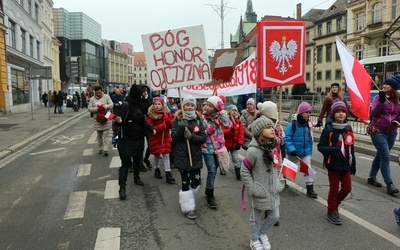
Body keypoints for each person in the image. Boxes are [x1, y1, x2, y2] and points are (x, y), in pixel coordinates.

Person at [241, 115, 283, 250]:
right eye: (268, 127)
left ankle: (261, 233)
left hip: (272, 190)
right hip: (258, 190)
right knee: (255, 218)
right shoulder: (253, 151)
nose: (272, 129)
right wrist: (252, 188)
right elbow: (244, 171)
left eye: (273, 127)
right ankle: (254, 239)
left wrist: (280, 180)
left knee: (274, 216)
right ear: (260, 132)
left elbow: (277, 166)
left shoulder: (274, 148)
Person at [317, 100, 356, 225]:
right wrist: (331, 150)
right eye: (338, 112)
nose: (341, 114)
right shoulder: (328, 128)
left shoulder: (348, 128)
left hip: (345, 164)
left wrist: (353, 163)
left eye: (343, 112)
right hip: (333, 164)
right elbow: (320, 146)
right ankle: (331, 210)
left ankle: (335, 204)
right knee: (334, 189)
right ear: (333, 114)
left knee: (347, 188)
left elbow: (351, 147)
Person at [114, 84, 155, 200]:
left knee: (137, 160)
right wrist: (118, 121)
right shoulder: (125, 106)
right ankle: (122, 187)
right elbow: (115, 119)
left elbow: (143, 121)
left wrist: (151, 129)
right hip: (126, 139)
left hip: (138, 138)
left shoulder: (139, 105)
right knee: (125, 164)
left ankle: (137, 178)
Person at [172, 95, 207, 219]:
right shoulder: (178, 119)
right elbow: (174, 138)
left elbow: (203, 138)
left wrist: (191, 136)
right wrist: (181, 128)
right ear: (183, 106)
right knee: (185, 182)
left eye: (192, 105)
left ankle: (188, 197)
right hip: (182, 157)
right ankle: (188, 208)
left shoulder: (198, 120)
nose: (189, 107)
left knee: (196, 182)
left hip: (195, 156)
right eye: (187, 104)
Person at [367, 75, 400, 195]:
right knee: (385, 156)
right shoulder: (377, 97)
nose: (384, 85)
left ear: (393, 88)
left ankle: (371, 177)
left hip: (392, 132)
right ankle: (389, 184)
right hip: (378, 131)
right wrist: (381, 101)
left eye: (387, 84)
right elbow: (374, 113)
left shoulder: (398, 99)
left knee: (380, 155)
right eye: (384, 84)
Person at [202, 96, 231, 208]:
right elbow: (197, 130)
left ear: (216, 107)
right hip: (207, 148)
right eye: (207, 105)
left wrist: (223, 113)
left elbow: (228, 125)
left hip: (219, 147)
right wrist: (205, 131)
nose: (207, 107)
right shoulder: (202, 117)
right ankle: (210, 195)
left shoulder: (219, 117)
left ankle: (208, 189)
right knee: (212, 170)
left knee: (216, 168)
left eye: (210, 106)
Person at [284, 101, 317, 198]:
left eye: (310, 112)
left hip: (305, 152)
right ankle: (282, 181)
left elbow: (310, 138)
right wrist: (291, 149)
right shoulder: (292, 125)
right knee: (288, 169)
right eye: (306, 112)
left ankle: (310, 188)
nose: (309, 114)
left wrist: (309, 151)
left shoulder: (308, 125)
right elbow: (287, 138)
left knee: (308, 170)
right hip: (294, 152)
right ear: (301, 113)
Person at [147, 97, 175, 184]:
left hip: (165, 137)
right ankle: (156, 168)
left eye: (159, 104)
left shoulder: (166, 113)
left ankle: (168, 173)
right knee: (157, 155)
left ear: (162, 105)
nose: (157, 106)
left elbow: (171, 125)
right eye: (155, 104)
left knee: (166, 155)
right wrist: (161, 126)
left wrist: (166, 118)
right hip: (156, 138)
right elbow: (150, 128)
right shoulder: (151, 115)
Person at [88, 86, 113, 157]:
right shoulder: (92, 99)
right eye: (97, 93)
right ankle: (100, 148)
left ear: (102, 91)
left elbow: (111, 105)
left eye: (100, 92)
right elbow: (89, 108)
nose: (98, 94)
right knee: (99, 135)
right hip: (97, 119)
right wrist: (97, 109)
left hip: (106, 118)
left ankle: (106, 149)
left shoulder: (106, 97)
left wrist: (104, 107)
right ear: (95, 92)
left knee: (106, 135)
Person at [223, 104, 244, 180]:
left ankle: (238, 174)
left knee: (235, 159)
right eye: (232, 110)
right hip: (226, 144)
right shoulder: (226, 121)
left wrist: (239, 143)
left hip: (234, 145)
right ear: (229, 112)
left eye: (235, 110)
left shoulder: (238, 122)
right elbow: (223, 132)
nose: (234, 112)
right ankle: (223, 169)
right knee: (225, 158)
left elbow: (241, 133)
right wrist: (229, 131)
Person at [139, 85, 153, 171]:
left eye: (146, 91)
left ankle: (146, 159)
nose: (145, 92)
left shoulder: (150, 100)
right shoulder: (138, 101)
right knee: (141, 146)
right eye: (143, 91)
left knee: (150, 144)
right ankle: (140, 164)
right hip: (140, 124)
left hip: (149, 124)